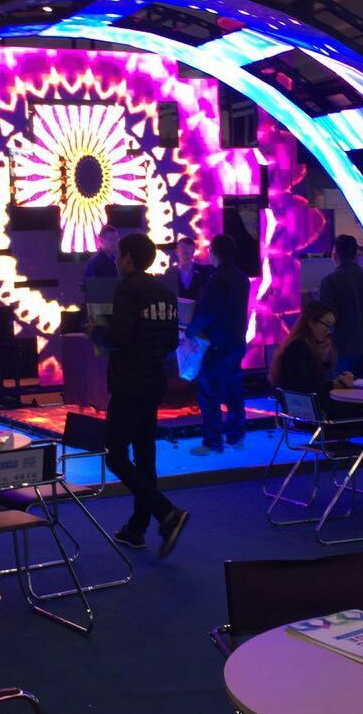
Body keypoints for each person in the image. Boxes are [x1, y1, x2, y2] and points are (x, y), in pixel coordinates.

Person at [91, 233, 189, 559]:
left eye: (120, 255)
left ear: (129, 258)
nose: (117, 260)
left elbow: (118, 338)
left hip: (129, 383)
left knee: (115, 455)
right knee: (145, 455)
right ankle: (137, 528)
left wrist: (96, 332)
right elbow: (172, 342)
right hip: (154, 381)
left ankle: (167, 512)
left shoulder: (127, 289)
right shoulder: (165, 292)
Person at [269, 301, 363, 496]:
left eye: (331, 327)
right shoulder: (300, 349)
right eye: (326, 325)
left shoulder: (296, 346)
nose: (328, 331)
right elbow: (311, 389)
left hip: (305, 414)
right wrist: (335, 384)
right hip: (317, 418)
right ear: (311, 322)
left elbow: (307, 385)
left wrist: (331, 377)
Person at [185, 234, 251, 455]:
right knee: (234, 393)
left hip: (217, 345)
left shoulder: (218, 279)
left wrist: (191, 331)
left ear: (214, 252)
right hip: (236, 343)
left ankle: (213, 442)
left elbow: (209, 311)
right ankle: (236, 437)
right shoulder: (241, 278)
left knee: (209, 395)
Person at [319, 234, 363, 376]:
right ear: (356, 255)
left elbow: (326, 322)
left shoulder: (329, 282)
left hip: (342, 352)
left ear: (334, 254)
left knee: (344, 389)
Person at [167, 235, 213, 302]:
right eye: (184, 251)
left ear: (193, 252)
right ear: (176, 251)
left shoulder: (203, 271)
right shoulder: (170, 272)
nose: (186, 254)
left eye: (189, 251)